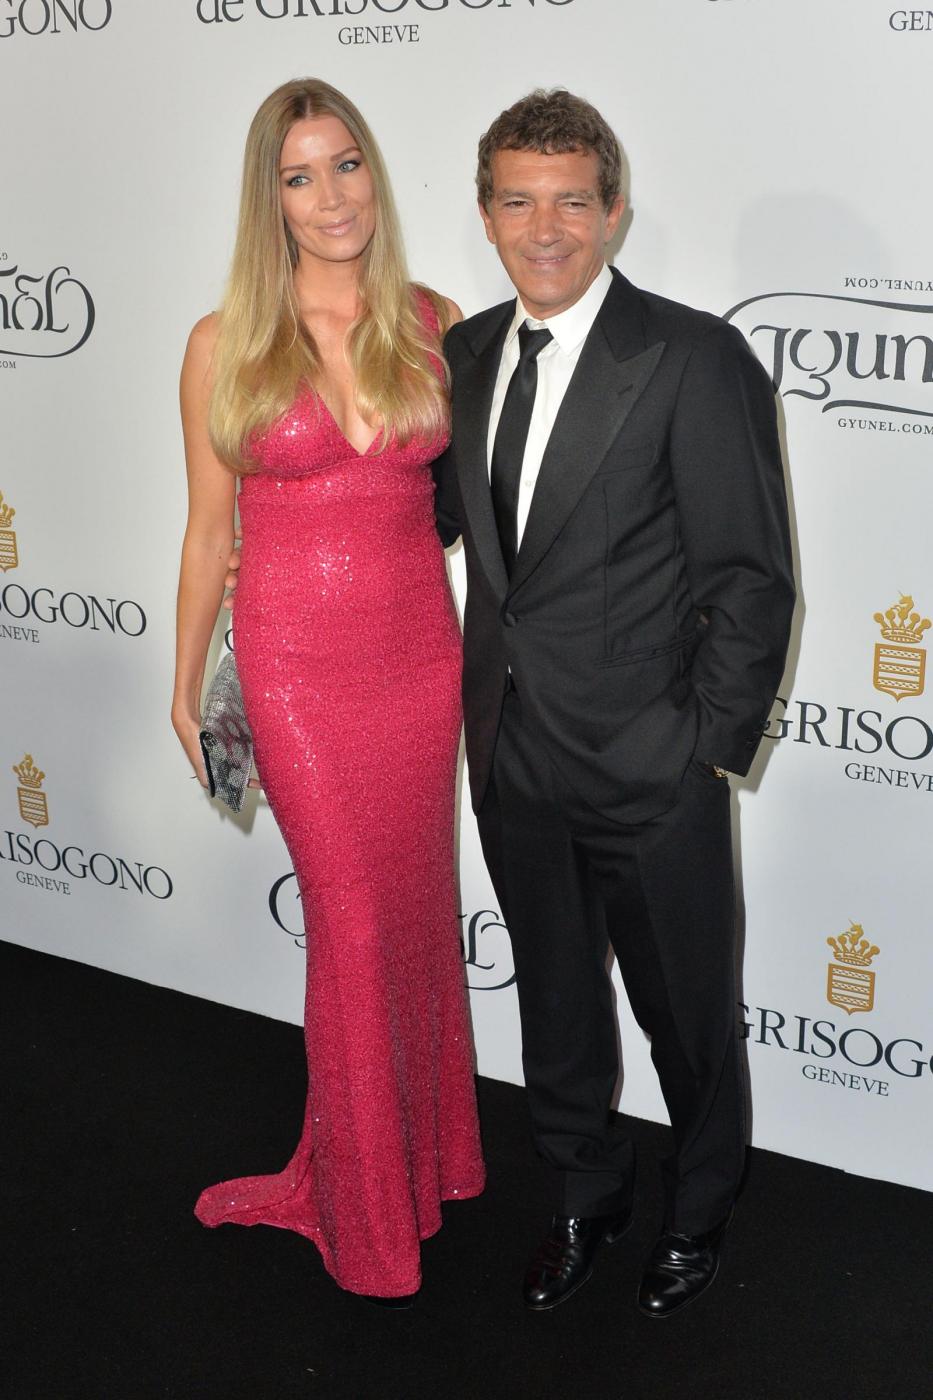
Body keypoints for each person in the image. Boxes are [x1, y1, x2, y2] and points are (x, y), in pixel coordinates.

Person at [431, 90, 795, 1316]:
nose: (547, 229)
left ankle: (700, 1205)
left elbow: (751, 578)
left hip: (652, 766)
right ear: (487, 213)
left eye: (573, 202)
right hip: (513, 753)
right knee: (555, 1004)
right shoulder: (464, 355)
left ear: (615, 209)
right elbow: (447, 522)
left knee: (688, 1019)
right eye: (519, 202)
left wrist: (703, 750)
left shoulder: (692, 357)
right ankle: (586, 1190)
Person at [172, 77, 484, 1304]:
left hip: (420, 658)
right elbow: (209, 531)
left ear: (372, 173)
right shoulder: (224, 342)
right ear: (271, 198)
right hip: (296, 669)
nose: (331, 195)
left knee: (412, 913)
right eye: (299, 176)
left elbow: (469, 504)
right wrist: (186, 684)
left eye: (345, 164)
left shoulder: (433, 319)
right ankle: (361, 1209)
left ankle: (425, 1160)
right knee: (351, 927)